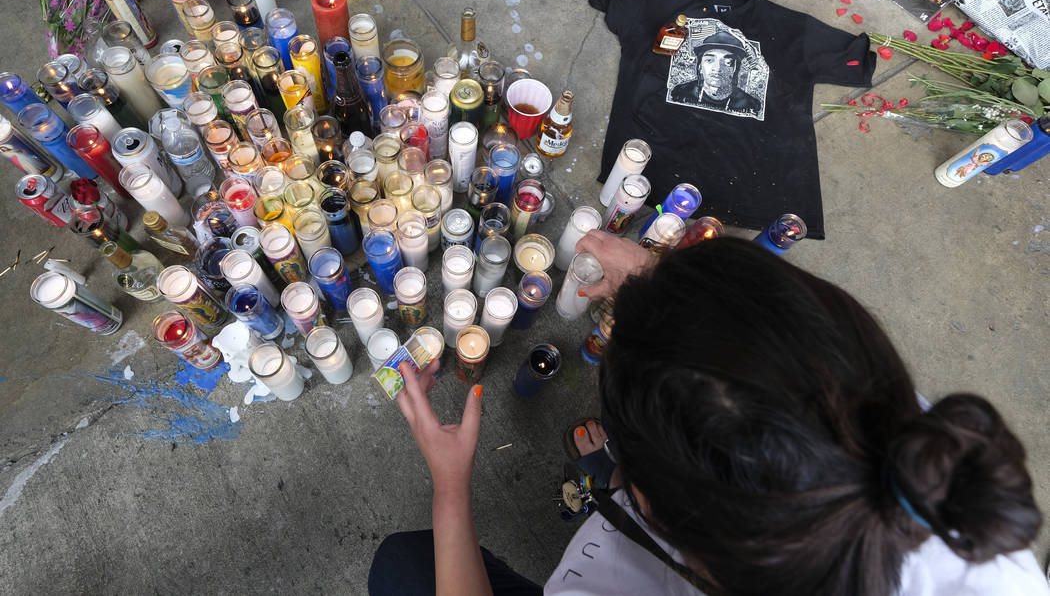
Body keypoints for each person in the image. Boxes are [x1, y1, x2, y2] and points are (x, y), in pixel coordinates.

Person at [368, 232, 1048, 596]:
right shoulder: (924, 459)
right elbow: (771, 368)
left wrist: (452, 487)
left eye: (635, 484)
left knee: (403, 566)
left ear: (663, 518)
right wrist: (664, 291)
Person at [668, 31, 763, 116]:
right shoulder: (681, 93)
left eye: (728, 62)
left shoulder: (749, 104)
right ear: (700, 67)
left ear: (735, 69)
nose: (717, 69)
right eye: (709, 60)